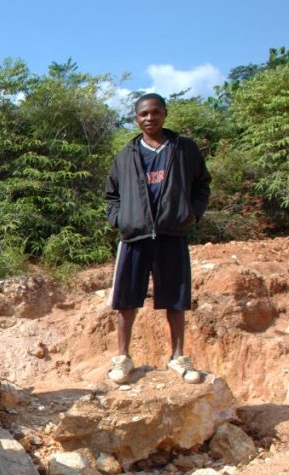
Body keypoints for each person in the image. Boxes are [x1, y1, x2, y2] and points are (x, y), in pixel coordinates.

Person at [105, 93, 211, 385]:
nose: (149, 118)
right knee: (125, 299)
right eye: (143, 114)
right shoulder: (126, 155)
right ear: (136, 118)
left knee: (175, 299)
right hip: (134, 236)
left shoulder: (183, 149)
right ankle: (123, 358)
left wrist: (191, 214)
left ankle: (178, 357)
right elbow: (111, 195)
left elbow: (202, 185)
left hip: (171, 234)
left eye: (155, 112)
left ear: (164, 114)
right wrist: (120, 219)